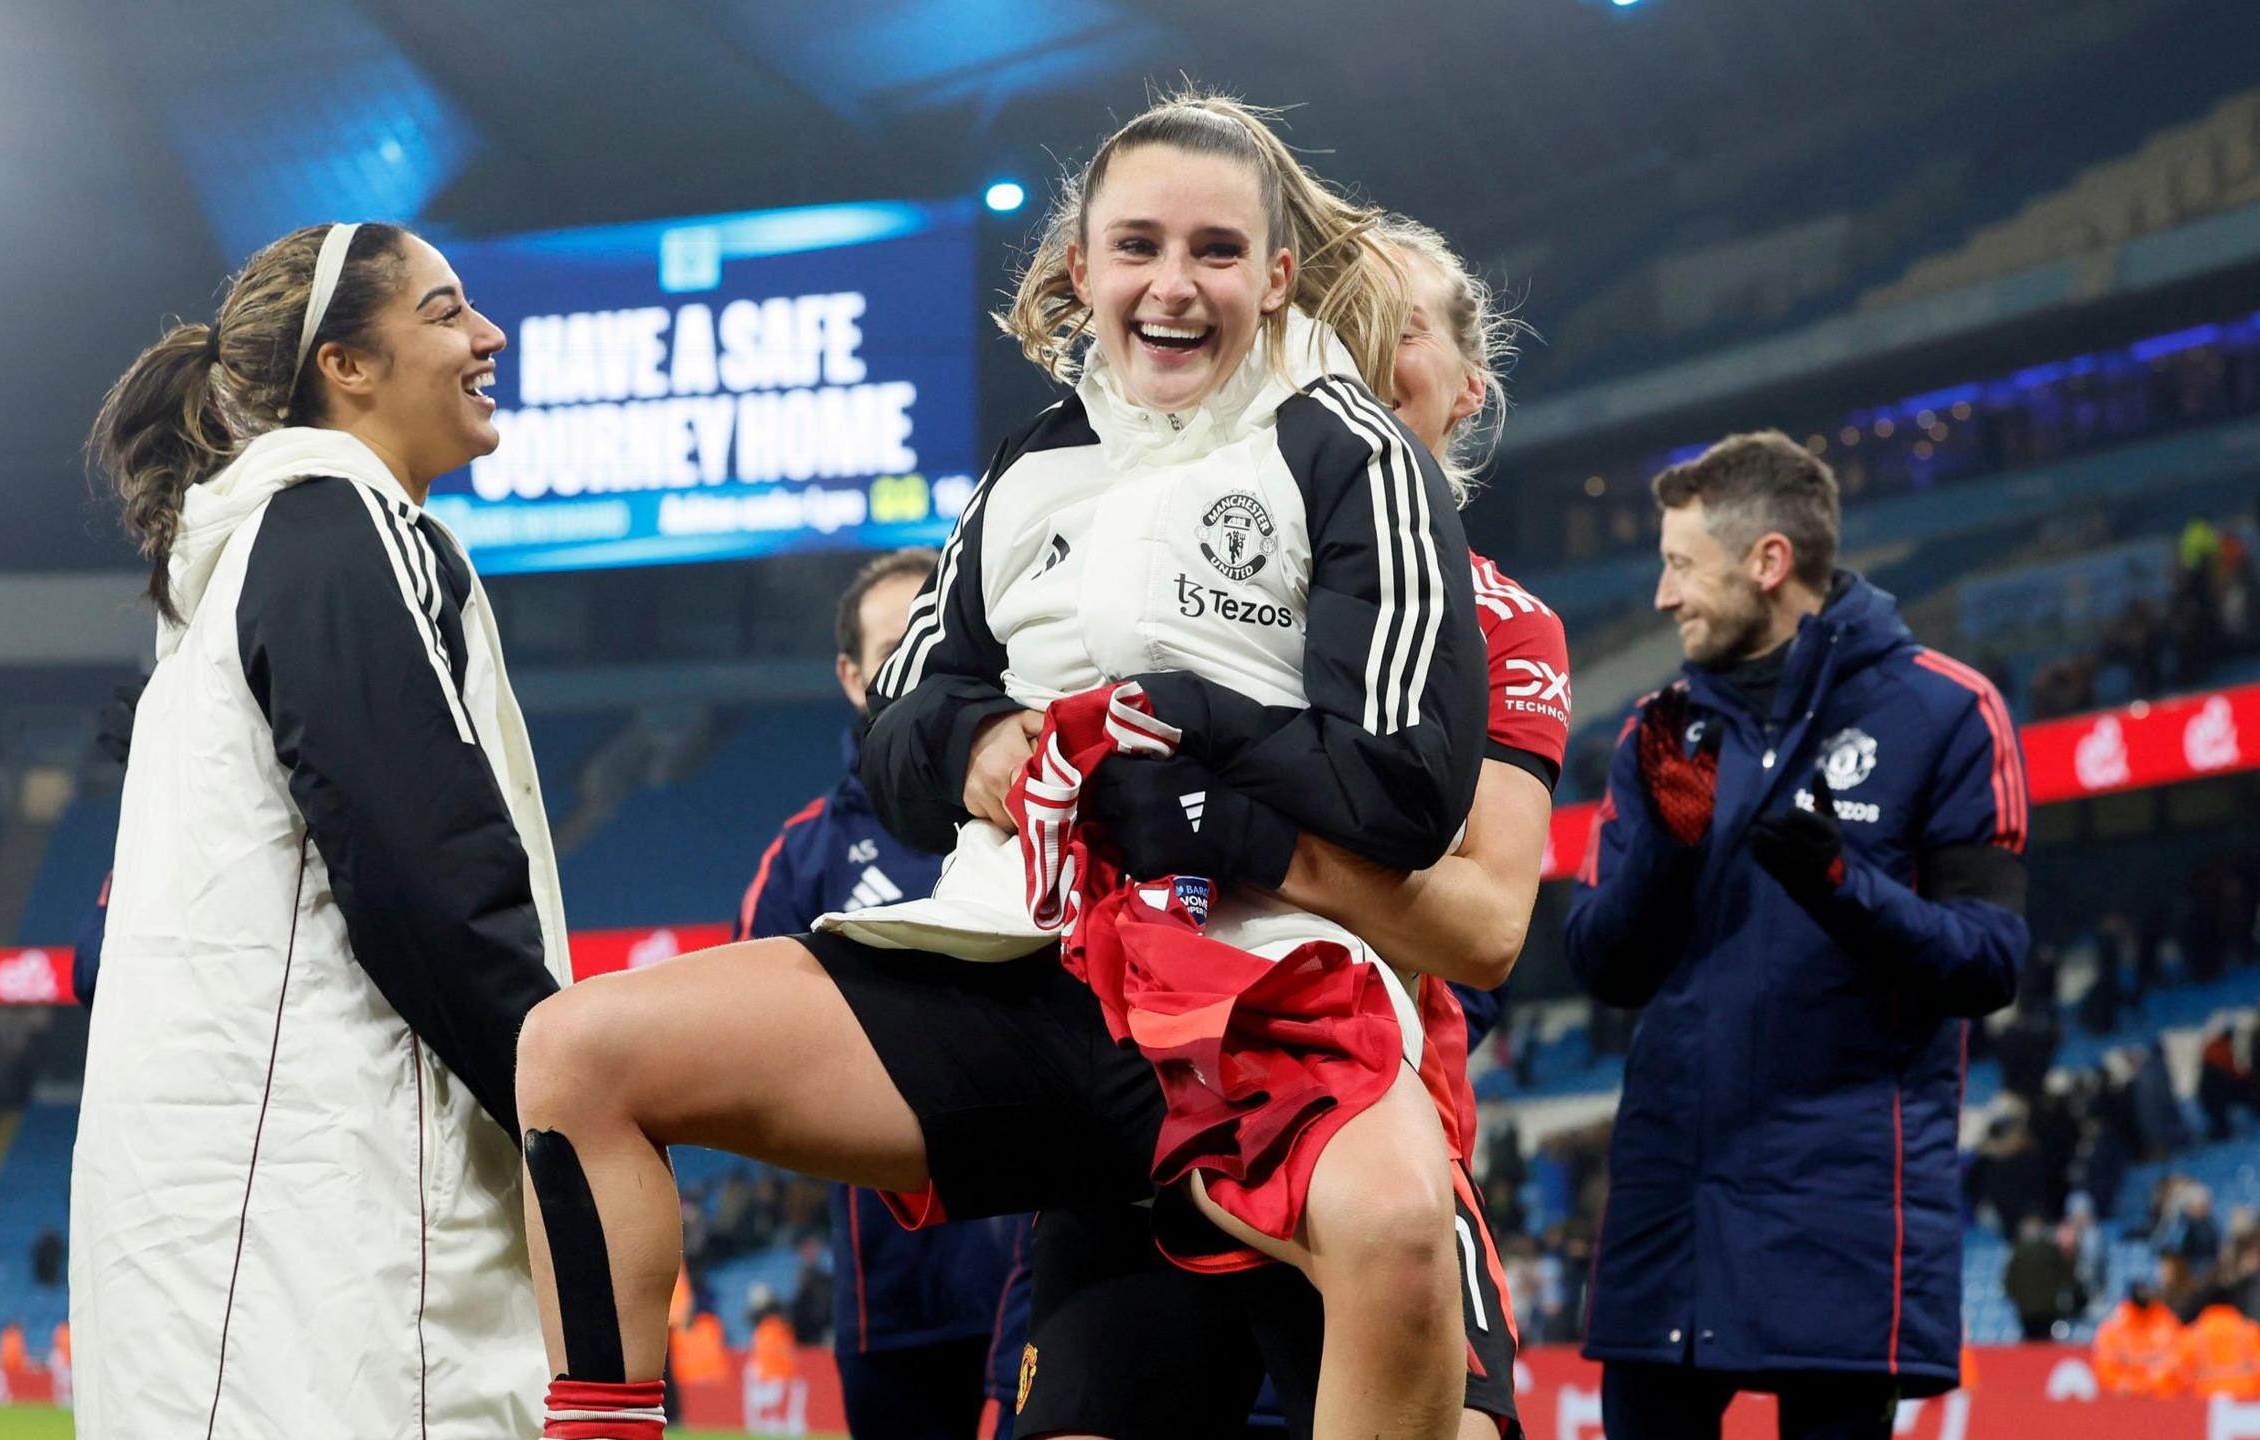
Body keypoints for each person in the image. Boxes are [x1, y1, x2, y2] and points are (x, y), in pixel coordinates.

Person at [514, 94, 1486, 1440]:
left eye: (1216, 250)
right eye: (1137, 245)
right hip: (1012, 967)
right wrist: (978, 747)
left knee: (1394, 1232)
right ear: (1082, 271)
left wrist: (1189, 734)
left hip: (1257, 983)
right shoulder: (1029, 469)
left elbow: (1410, 785)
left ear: (1273, 277)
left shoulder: (1353, 452)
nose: (1174, 283)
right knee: (575, 1052)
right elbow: (902, 716)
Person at [1004, 214, 1557, 1440]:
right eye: (1337, 318)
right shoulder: (1167, 566)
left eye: (1397, 323)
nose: (1356, 344)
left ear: (1468, 389)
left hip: (1364, 1113)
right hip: (1140, 1099)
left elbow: (1485, 930)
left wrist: (1247, 841)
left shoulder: (1503, 623)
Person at [71, 222, 568, 1439]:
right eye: (447, 310)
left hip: (227, 1253)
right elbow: (428, 878)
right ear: (347, 365)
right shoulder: (347, 529)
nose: (487, 334)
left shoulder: (233, 571)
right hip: (337, 1245)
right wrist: (568, 1110)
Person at [1563, 431, 2031, 1438]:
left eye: (1681, 565)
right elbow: (1601, 962)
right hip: (1670, 1203)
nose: (1660, 595)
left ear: (1767, 562)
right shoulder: (1662, 728)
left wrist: (1836, 883)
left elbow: (1989, 961)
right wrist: (1665, 856)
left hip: (1841, 1205)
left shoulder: (1947, 711)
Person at [733, 546, 1022, 1440]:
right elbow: (748, 1051)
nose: (918, 668)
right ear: (853, 676)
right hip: (889, 1294)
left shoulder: (1030, 813)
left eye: (935, 644)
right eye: (895, 648)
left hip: (1037, 1271)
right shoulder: (803, 857)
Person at [2090, 1282, 2184, 1398]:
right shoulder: (2116, 1324)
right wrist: (2122, 1382)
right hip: (2125, 1398)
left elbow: (2179, 1358)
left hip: (2159, 1396)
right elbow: (2105, 1363)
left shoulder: (2165, 1320)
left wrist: (2150, 1382)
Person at [2179, 1294, 2260, 1400]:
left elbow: (2180, 1376)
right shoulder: (2250, 1331)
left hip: (2205, 1400)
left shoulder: (2191, 1334)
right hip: (2245, 1398)